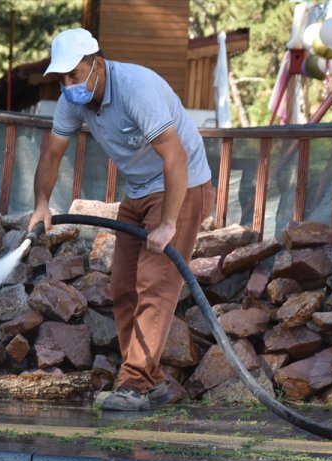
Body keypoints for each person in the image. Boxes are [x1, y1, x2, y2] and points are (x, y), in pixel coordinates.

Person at [28, 28, 215, 411]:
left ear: (96, 65)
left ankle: (134, 384)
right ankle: (152, 382)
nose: (68, 85)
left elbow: (174, 158)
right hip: (139, 189)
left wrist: (168, 223)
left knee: (156, 283)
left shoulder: (136, 88)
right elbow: (51, 155)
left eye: (75, 75)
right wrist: (42, 204)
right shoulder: (72, 100)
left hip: (182, 183)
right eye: (62, 78)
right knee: (124, 286)